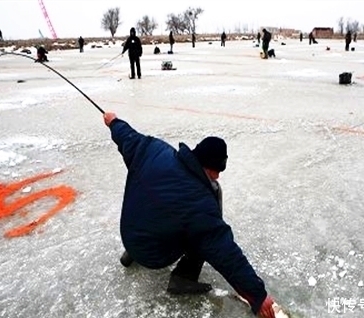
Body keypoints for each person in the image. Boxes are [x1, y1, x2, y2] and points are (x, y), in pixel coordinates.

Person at [103, 112, 276, 318]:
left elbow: (127, 136)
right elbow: (224, 251)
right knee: (202, 233)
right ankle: (183, 278)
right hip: (152, 253)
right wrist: (257, 295)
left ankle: (131, 252)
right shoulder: (199, 204)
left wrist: (113, 121)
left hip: (130, 231)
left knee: (157, 203)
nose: (218, 176)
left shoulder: (154, 150)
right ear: (209, 166)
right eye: (217, 170)